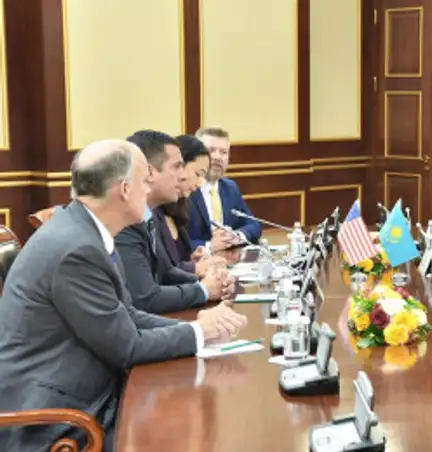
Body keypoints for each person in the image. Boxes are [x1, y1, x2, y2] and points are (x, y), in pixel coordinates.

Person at [0, 139, 247, 451]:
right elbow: (127, 347)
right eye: (145, 181)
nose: (149, 189)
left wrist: (197, 327)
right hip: (53, 420)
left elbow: (127, 314)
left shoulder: (87, 231)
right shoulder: (76, 249)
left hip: (85, 392)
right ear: (126, 190)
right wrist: (199, 332)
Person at [115, 130, 232, 314]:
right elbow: (144, 298)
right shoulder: (124, 221)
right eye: (177, 167)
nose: (182, 176)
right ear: (149, 172)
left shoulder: (148, 215)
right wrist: (203, 290)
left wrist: (213, 282)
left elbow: (166, 272)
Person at [157, 134, 226, 277]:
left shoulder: (179, 207)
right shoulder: (150, 214)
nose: (200, 183)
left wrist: (192, 261)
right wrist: (195, 269)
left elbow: (175, 263)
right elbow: (161, 273)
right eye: (198, 174)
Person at [187, 126, 262, 250]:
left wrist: (237, 236)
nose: (218, 157)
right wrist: (209, 246)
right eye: (211, 150)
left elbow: (253, 225)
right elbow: (173, 244)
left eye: (224, 152)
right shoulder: (186, 189)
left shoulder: (230, 187)